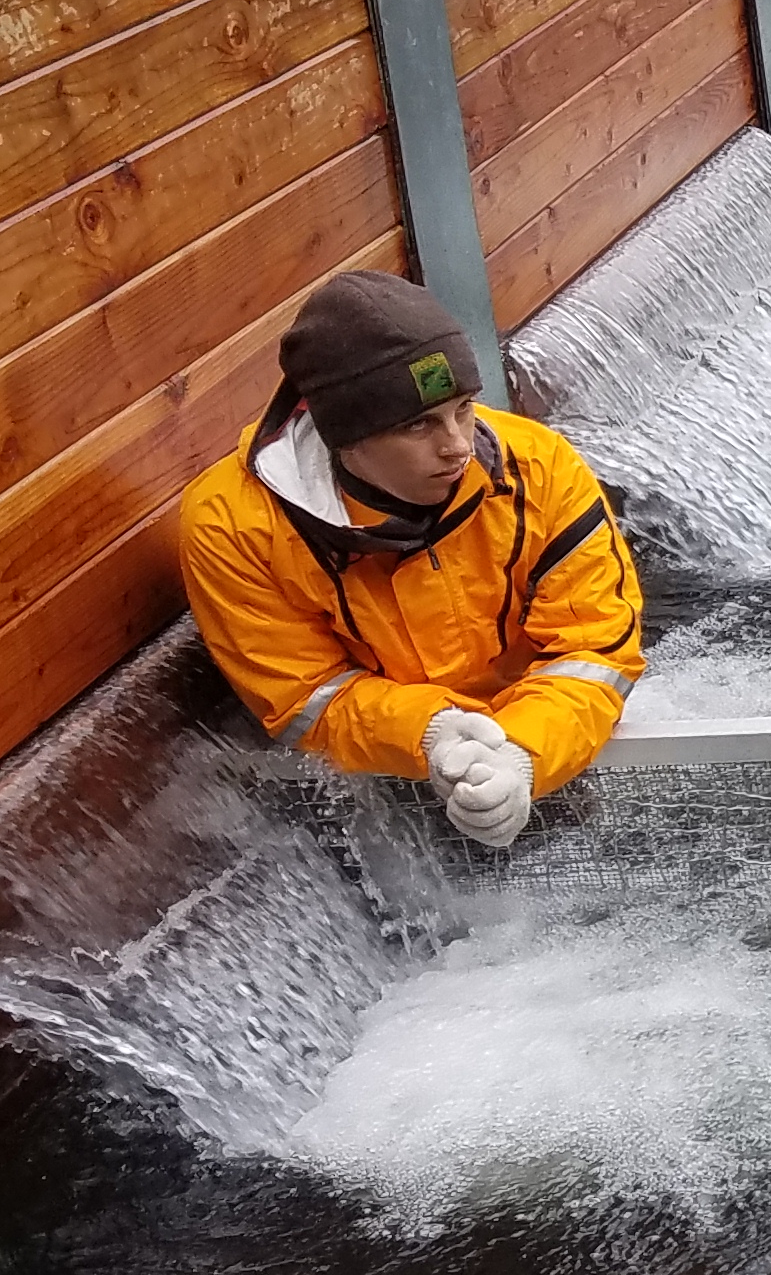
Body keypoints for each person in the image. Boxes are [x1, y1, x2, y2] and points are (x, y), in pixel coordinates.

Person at [177, 272, 644, 851]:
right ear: (344, 437)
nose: (458, 445)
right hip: (381, 784)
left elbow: (595, 649)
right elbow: (305, 698)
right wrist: (430, 733)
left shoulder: (539, 466)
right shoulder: (233, 526)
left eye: (463, 408)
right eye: (418, 424)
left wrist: (523, 754)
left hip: (545, 741)